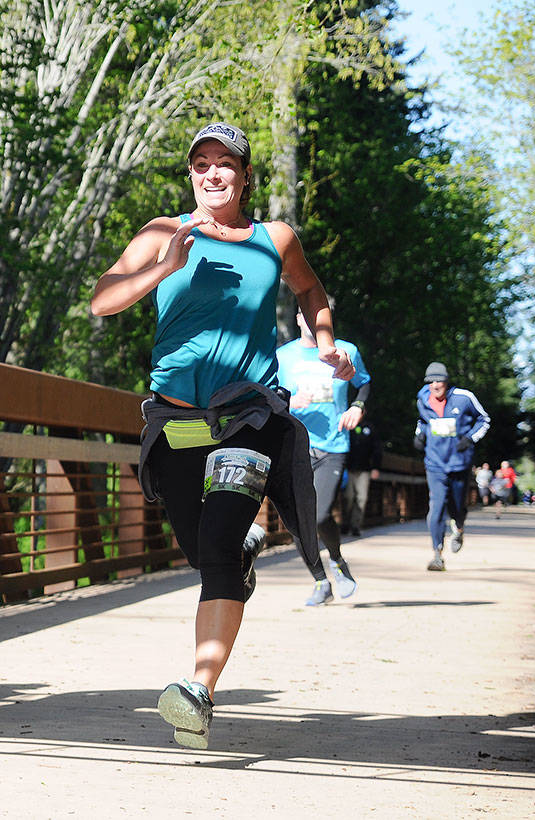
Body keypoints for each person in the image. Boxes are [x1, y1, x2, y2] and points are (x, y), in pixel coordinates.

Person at [91, 122, 353, 749]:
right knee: (205, 551)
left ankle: (199, 691)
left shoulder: (274, 239)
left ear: (244, 176)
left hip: (247, 414)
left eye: (225, 164)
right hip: (176, 418)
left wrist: (326, 345)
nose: (212, 174)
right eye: (201, 164)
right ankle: (234, 566)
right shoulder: (163, 232)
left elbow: (310, 287)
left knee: (217, 541)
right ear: (191, 174)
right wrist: (164, 268)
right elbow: (103, 300)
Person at [277, 308, 371, 604]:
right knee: (296, 520)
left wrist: (358, 406)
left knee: (317, 513)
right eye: (305, 316)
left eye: (319, 319)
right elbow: (266, 393)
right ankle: (320, 581)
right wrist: (288, 401)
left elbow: (364, 383)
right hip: (294, 446)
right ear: (297, 320)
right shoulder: (283, 356)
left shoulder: (346, 351)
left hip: (332, 446)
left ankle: (337, 560)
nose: (311, 323)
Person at [414, 361, 489, 571]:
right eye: (431, 381)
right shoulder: (422, 398)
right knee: (436, 508)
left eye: (439, 380)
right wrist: (419, 434)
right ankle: (437, 555)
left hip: (459, 463)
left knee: (456, 506)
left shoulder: (464, 398)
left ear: (447, 381)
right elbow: (422, 421)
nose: (435, 385)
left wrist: (470, 438)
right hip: (434, 463)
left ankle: (459, 527)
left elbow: (484, 419)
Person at [343, 422, 382, 536]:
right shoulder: (348, 426)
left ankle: (356, 526)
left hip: (364, 469)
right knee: (348, 497)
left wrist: (376, 467)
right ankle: (345, 523)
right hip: (348, 468)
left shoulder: (370, 428)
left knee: (362, 498)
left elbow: (377, 449)